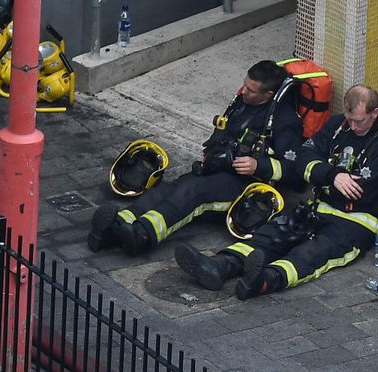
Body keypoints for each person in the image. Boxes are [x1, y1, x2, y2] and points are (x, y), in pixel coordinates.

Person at [174, 86, 378, 300]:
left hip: (358, 221)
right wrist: (333, 176)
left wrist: (320, 172)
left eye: (359, 121)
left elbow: (359, 192)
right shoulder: (339, 126)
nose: (353, 127)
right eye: (350, 120)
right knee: (275, 232)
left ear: (375, 113)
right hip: (319, 207)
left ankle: (265, 281)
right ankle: (220, 265)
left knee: (314, 253)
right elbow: (303, 157)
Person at [89, 59, 303, 254]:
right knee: (171, 188)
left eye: (251, 90)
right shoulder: (242, 102)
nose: (243, 91)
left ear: (268, 95)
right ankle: (119, 225)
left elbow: (296, 172)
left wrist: (258, 166)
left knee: (193, 192)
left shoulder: (285, 122)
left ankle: (143, 234)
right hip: (219, 168)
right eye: (244, 84)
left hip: (245, 186)